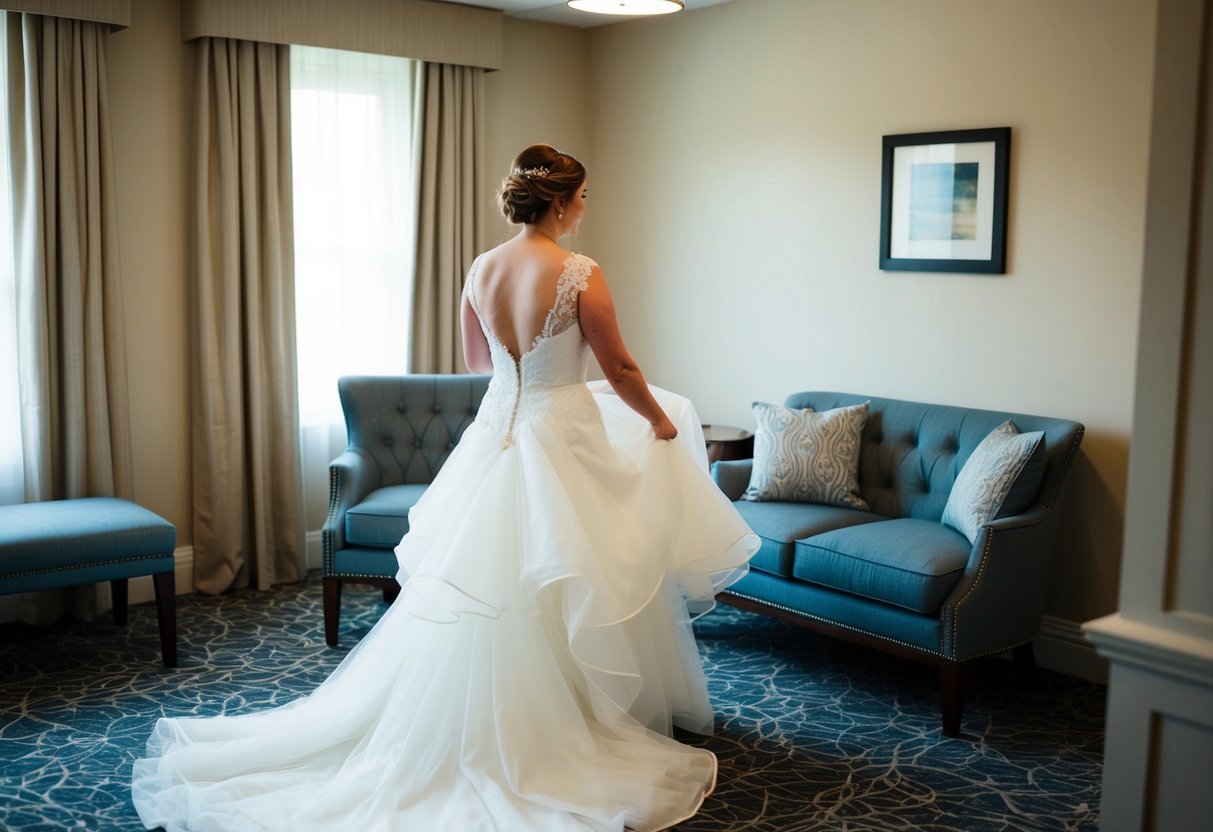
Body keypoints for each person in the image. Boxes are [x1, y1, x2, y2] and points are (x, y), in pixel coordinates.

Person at [131, 144, 757, 832]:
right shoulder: (579, 272)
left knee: (494, 581)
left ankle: (504, 715)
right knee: (565, 574)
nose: (583, 208)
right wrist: (659, 421)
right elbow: (622, 365)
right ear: (557, 202)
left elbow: (478, 361)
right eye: (580, 198)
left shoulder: (482, 267)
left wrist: (531, 378)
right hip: (562, 436)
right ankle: (562, 719)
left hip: (499, 430)